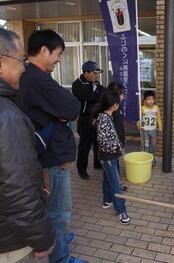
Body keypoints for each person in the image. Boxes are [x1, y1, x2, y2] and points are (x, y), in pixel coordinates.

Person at [16, 29, 83, 263]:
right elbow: (73, 108)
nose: (59, 59)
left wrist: (60, 113)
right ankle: (61, 257)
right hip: (52, 156)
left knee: (52, 209)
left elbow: (66, 109)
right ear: (44, 50)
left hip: (43, 154)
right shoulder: (38, 78)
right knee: (59, 211)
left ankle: (60, 239)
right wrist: (61, 114)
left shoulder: (25, 75)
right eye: (58, 53)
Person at [0, 28, 55, 263]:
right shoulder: (7, 118)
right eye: (21, 60)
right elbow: (17, 191)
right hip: (11, 242)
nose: (24, 67)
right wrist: (43, 238)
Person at [93, 89, 130, 224]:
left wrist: (118, 147)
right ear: (114, 104)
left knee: (107, 178)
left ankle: (107, 200)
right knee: (115, 183)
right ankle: (121, 211)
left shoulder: (107, 116)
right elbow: (103, 142)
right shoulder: (104, 119)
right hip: (108, 156)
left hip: (109, 155)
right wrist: (118, 148)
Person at [72, 60, 104, 180]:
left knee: (97, 142)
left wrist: (98, 91)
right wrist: (97, 92)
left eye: (97, 73)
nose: (96, 76)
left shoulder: (95, 83)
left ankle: (97, 162)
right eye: (94, 73)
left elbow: (103, 94)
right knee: (85, 145)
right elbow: (89, 97)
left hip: (96, 117)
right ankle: (82, 169)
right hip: (85, 119)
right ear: (86, 72)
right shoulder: (77, 84)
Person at [137, 90, 162, 165]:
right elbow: (139, 119)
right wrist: (138, 124)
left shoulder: (156, 108)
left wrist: (160, 127)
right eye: (148, 99)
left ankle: (152, 159)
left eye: (152, 99)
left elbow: (158, 118)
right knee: (146, 145)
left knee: (153, 146)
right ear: (145, 100)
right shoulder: (142, 108)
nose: (151, 101)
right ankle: (146, 160)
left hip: (153, 130)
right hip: (145, 131)